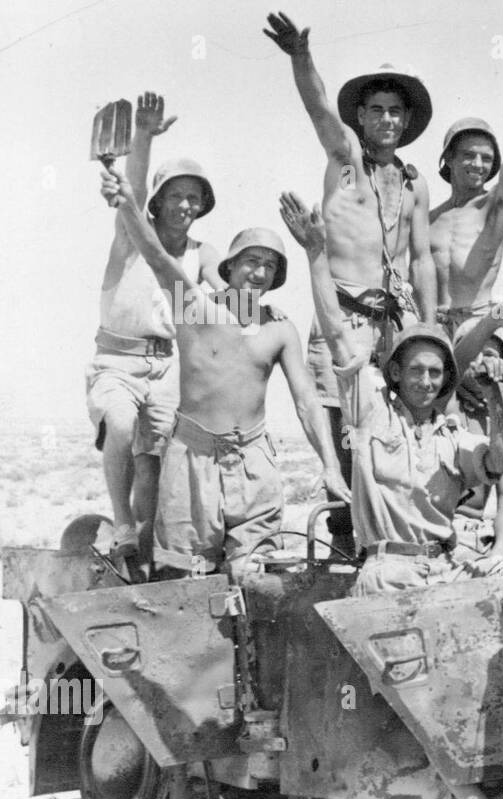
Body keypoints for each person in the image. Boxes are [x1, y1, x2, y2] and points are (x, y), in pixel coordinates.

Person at [279, 191, 503, 799]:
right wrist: (314, 253)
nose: (423, 379)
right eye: (413, 368)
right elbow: (332, 330)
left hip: (443, 575)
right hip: (384, 576)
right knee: (426, 691)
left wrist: (498, 544)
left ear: (446, 380)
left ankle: (495, 797)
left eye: (435, 371)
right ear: (395, 373)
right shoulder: (368, 411)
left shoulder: (457, 433)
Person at [99, 170, 346, 581]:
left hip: (253, 465)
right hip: (191, 460)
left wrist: (331, 466)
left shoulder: (279, 329)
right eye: (252, 261)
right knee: (182, 580)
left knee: (258, 578)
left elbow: (306, 400)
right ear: (229, 267)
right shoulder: (192, 306)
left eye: (270, 265)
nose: (260, 272)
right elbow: (158, 257)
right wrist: (128, 202)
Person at [264, 13, 437, 556]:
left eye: (395, 112)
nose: (386, 120)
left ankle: (392, 542)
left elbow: (424, 256)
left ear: (406, 120)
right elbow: (318, 107)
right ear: (361, 116)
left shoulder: (414, 182)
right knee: (341, 434)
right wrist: (300, 57)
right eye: (377, 110)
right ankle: (344, 551)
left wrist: (429, 327)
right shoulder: (346, 159)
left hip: (394, 322)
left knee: (394, 431)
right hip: (342, 315)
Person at [89, 92, 223, 563]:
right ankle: (121, 521)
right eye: (177, 195)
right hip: (118, 359)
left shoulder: (201, 251)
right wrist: (142, 136)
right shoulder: (131, 231)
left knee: (157, 462)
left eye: (194, 197)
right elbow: (134, 191)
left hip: (168, 367)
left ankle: (140, 553)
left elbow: (229, 294)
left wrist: (255, 311)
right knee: (121, 428)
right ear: (160, 201)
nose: (185, 205)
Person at [428, 82, 503, 369]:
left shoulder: (494, 209)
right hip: (433, 328)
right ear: (449, 160)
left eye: (487, 158)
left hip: (477, 326)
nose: (478, 164)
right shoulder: (429, 219)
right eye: (468, 155)